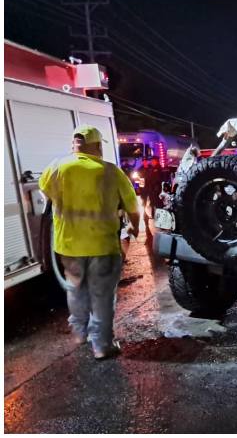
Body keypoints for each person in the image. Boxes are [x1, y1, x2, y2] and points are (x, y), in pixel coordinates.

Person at [39, 125, 140, 360]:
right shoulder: (109, 171)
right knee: (102, 295)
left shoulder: (56, 166)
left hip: (68, 245)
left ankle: (79, 332)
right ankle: (101, 345)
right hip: (102, 245)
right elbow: (132, 206)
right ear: (96, 145)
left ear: (75, 145)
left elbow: (44, 192)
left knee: (75, 288)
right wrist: (135, 226)